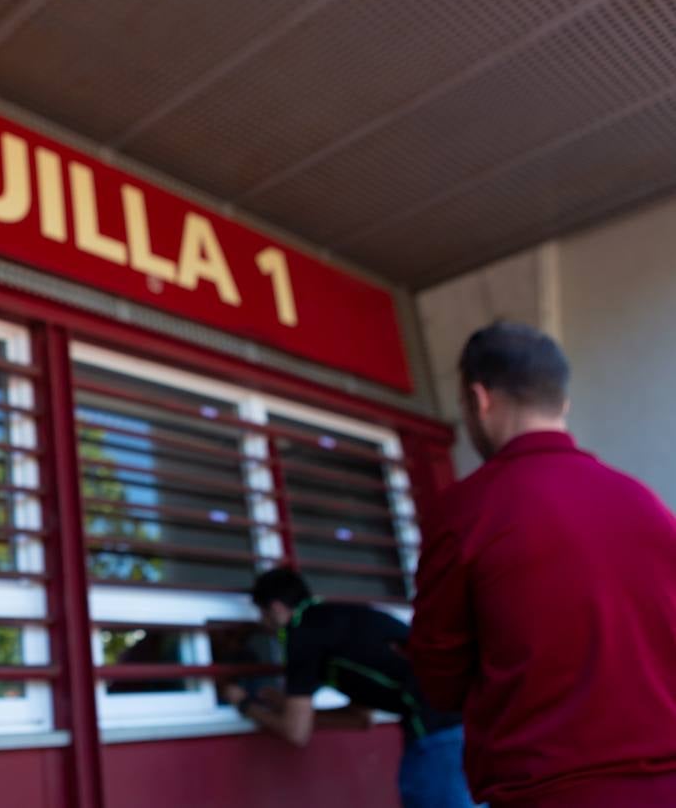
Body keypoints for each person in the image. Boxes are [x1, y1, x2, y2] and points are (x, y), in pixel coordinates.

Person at [410, 321, 676, 807]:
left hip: (549, 790)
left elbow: (439, 677)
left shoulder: (467, 511)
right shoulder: (647, 504)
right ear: (562, 402)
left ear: (479, 399)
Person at [227, 568, 477, 808]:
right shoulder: (340, 620)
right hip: (466, 719)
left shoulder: (302, 634)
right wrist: (288, 708)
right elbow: (360, 718)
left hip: (436, 731)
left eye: (261, 614)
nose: (264, 624)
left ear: (276, 608)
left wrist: (244, 705)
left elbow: (296, 732)